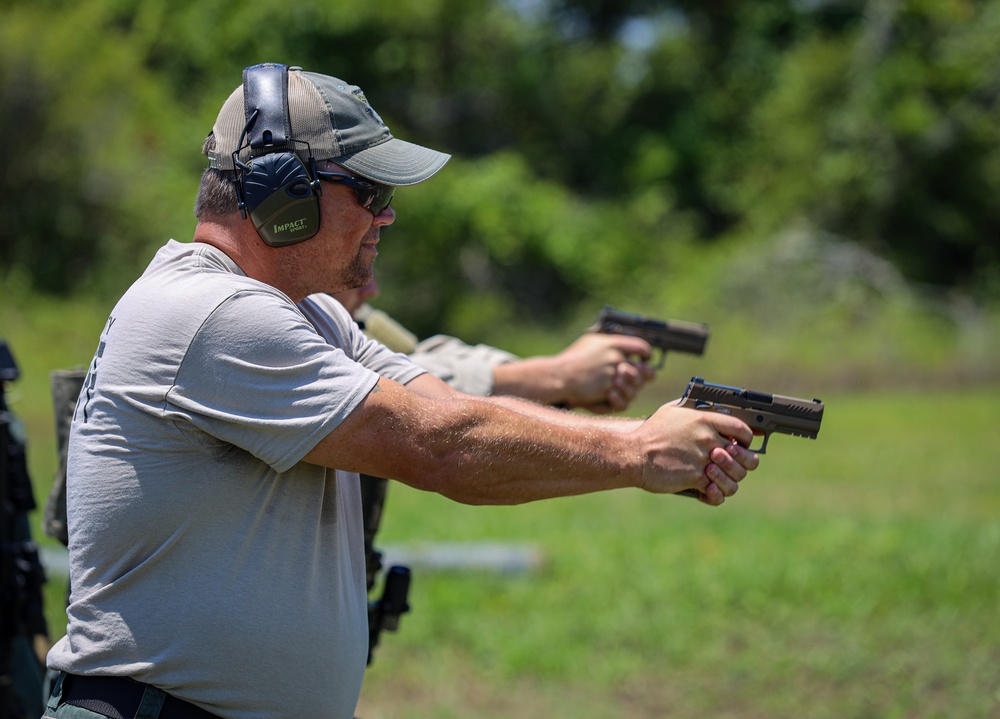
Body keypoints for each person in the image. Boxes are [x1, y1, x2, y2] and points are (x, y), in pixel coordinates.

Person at [44, 63, 759, 719]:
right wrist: (637, 449)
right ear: (281, 191)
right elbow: (440, 449)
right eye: (370, 191)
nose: (386, 216)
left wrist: (633, 438)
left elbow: (444, 409)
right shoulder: (212, 313)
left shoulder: (311, 314)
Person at [317, 274, 658, 412]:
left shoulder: (362, 319)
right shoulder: (302, 320)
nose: (371, 288)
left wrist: (560, 387)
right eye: (356, 274)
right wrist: (561, 375)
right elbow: (407, 385)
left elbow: (418, 356)